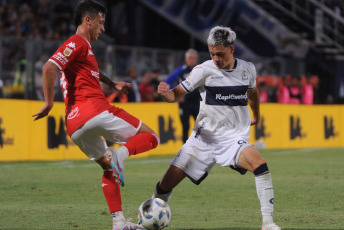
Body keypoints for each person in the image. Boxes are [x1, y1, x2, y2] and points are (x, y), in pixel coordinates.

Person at [32, 1, 159, 229]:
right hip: (95, 110)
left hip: (74, 125)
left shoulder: (84, 49)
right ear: (87, 20)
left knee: (108, 168)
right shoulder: (76, 41)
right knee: (152, 137)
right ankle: (120, 155)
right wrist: (49, 102)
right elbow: (49, 67)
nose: (103, 29)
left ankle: (119, 222)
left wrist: (112, 84)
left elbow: (92, 72)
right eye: (100, 23)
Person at [153, 26, 281, 230]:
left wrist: (256, 115)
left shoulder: (247, 69)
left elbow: (253, 93)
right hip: (202, 139)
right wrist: (165, 93)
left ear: (232, 49)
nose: (216, 59)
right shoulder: (203, 70)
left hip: (232, 139)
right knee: (165, 184)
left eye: (220, 54)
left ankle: (268, 223)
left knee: (260, 165)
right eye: (212, 54)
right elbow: (176, 94)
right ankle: (153, 218)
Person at [164, 48, 200, 143]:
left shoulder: (199, 70)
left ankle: (201, 147)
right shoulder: (181, 70)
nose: (192, 60)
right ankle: (185, 149)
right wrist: (177, 94)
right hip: (185, 104)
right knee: (185, 126)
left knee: (201, 126)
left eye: (194, 58)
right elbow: (168, 81)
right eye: (190, 58)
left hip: (197, 102)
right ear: (186, 59)